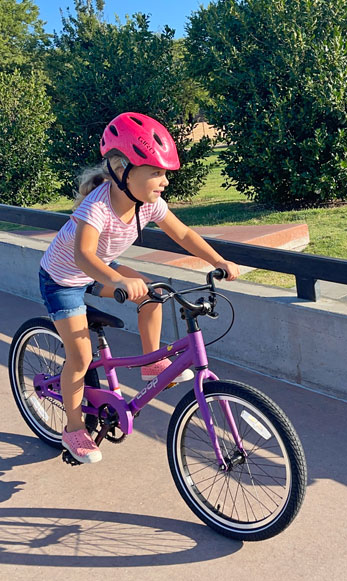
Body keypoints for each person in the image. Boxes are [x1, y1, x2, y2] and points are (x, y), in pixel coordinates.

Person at [39, 112, 239, 464]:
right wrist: (116, 280)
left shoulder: (149, 204)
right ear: (121, 169)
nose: (164, 182)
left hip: (98, 270)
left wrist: (217, 260)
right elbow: (83, 256)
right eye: (155, 172)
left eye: (164, 173)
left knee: (154, 293)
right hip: (64, 279)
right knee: (81, 357)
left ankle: (153, 363)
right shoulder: (96, 208)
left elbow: (184, 235)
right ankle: (72, 429)